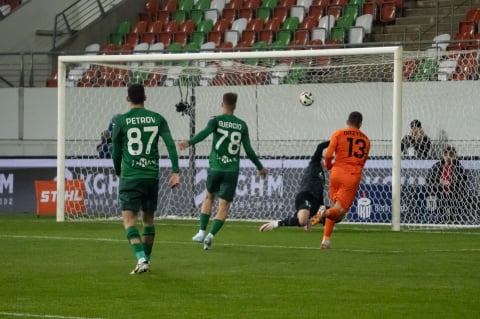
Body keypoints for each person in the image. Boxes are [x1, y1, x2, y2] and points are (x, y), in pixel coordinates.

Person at [178, 92, 267, 250]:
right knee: (224, 206)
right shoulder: (241, 125)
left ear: (222, 104)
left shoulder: (216, 121)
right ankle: (210, 236)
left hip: (216, 168)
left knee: (208, 197)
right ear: (235, 106)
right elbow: (248, 150)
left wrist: (189, 142)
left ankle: (201, 232)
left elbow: (204, 133)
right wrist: (260, 167)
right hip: (231, 171)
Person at [112, 84, 180, 274]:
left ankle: (141, 259)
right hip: (151, 177)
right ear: (145, 97)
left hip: (130, 176)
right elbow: (170, 145)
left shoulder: (121, 120)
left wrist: (119, 171)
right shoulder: (158, 118)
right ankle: (146, 261)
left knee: (129, 221)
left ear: (127, 99)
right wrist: (176, 171)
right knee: (148, 220)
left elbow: (115, 152)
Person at [312, 111, 370, 249]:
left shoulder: (338, 133)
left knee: (335, 207)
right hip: (351, 176)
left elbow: (328, 155)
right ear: (360, 124)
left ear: (347, 121)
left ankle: (325, 240)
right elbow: (362, 162)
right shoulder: (366, 141)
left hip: (336, 173)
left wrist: (330, 166)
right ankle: (323, 212)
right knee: (339, 212)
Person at [258, 141, 330, 232]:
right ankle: (275, 224)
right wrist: (336, 140)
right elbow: (320, 146)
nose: (326, 163)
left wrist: (323, 219)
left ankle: (309, 219)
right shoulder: (314, 164)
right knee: (302, 221)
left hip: (314, 202)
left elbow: (320, 198)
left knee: (337, 214)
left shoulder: (322, 177)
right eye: (324, 161)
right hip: (305, 196)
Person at [426, 145, 468, 224]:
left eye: (451, 155)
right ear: (442, 155)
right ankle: (437, 218)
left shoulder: (459, 169)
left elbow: (462, 184)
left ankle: (452, 218)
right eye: (445, 154)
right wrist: (439, 185)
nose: (448, 157)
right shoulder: (436, 166)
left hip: (453, 195)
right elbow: (429, 180)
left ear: (455, 156)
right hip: (438, 194)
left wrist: (450, 187)